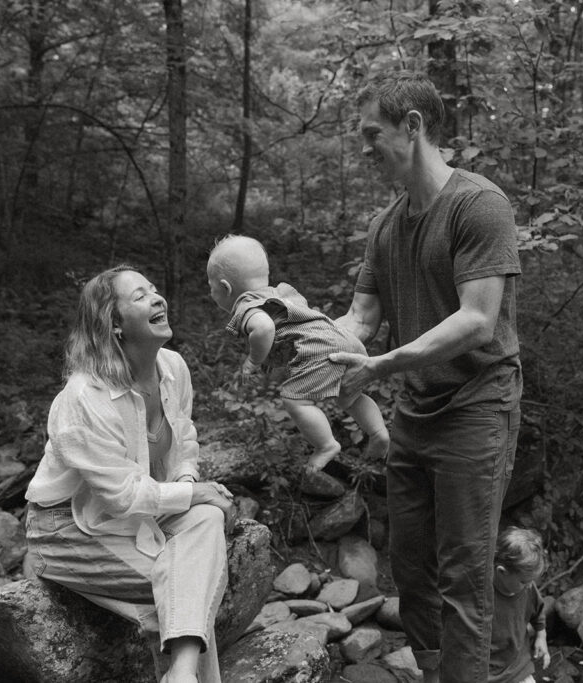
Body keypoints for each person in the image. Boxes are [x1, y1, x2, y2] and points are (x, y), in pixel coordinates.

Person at [330, 70, 523, 683]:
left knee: (465, 571)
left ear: (412, 127)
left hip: (478, 405)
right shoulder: (385, 226)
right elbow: (360, 318)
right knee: (410, 568)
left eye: (372, 134)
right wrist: (296, 337)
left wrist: (385, 364)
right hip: (415, 412)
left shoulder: (478, 205)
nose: (364, 149)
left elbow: (477, 322)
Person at [25, 265, 235, 683]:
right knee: (179, 585)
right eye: (140, 296)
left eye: (156, 290)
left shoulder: (173, 369)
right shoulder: (85, 396)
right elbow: (121, 496)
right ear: (114, 324)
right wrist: (198, 495)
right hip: (68, 528)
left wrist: (193, 489)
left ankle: (181, 673)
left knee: (209, 519)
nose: (158, 298)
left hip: (134, 515)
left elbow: (185, 444)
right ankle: (185, 672)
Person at [206, 234, 390, 472]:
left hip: (319, 349)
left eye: (211, 289)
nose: (211, 295)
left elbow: (264, 328)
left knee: (294, 398)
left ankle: (326, 446)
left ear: (225, 287)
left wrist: (252, 361)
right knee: (349, 394)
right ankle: (378, 432)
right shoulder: (280, 294)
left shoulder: (246, 306)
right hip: (345, 338)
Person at [490, 527, 551, 683]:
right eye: (524, 581)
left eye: (532, 580)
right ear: (501, 572)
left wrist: (541, 636)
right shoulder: (482, 595)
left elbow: (538, 612)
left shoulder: (528, 588)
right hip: (489, 673)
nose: (530, 585)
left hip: (519, 669)